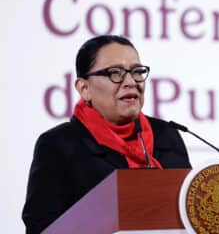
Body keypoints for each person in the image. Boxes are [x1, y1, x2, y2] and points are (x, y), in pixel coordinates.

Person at [22, 35, 191, 234]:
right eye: (115, 73)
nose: (130, 82)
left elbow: (190, 214)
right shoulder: (58, 145)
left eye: (137, 72)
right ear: (84, 89)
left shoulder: (166, 135)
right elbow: (41, 228)